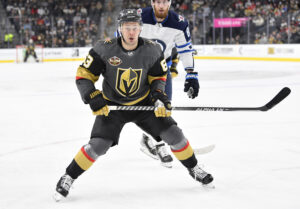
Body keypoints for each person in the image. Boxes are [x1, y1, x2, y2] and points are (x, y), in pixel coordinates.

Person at [54, 9, 213, 201]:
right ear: (120, 28)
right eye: (127, 27)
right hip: (113, 107)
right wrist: (92, 95)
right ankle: (68, 176)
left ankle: (194, 168)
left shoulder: (153, 49)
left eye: (135, 28)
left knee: (175, 135)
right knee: (98, 146)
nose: (131, 32)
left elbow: (159, 77)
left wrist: (158, 96)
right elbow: (84, 76)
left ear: (140, 28)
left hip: (143, 104)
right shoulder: (104, 48)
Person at [138, 0, 199, 168]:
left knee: (164, 107)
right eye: (158, 1)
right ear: (152, 2)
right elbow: (120, 40)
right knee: (140, 109)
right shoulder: (138, 17)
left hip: (162, 69)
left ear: (170, 2)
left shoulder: (179, 23)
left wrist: (191, 74)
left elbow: (185, 49)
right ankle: (157, 143)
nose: (161, 5)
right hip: (137, 69)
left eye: (165, 1)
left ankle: (149, 139)